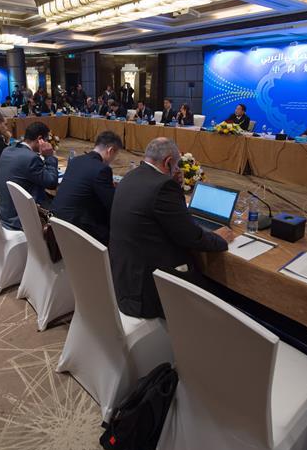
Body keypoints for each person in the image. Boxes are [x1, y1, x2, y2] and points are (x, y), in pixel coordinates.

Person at [109, 138, 234, 318]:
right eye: (175, 166)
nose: (177, 170)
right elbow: (192, 237)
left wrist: (175, 185)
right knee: (222, 294)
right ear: (168, 162)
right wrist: (220, 238)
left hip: (125, 279)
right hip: (148, 293)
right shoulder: (163, 187)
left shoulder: (131, 176)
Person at [52, 131, 122, 244]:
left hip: (57, 219)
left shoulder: (75, 160)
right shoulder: (102, 169)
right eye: (115, 155)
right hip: (76, 227)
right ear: (110, 150)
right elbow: (112, 204)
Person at [0, 121, 58, 230]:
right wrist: (49, 157)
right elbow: (52, 182)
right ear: (40, 139)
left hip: (6, 213)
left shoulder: (7, 150)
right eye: (47, 140)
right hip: (21, 219)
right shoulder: (31, 159)